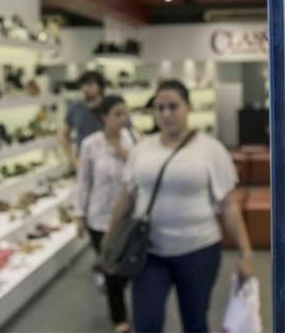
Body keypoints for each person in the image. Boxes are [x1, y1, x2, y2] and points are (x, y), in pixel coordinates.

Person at [107, 80, 254, 333]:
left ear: (188, 108)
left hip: (199, 251)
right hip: (148, 252)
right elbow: (126, 196)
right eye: (160, 108)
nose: (166, 114)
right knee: (146, 323)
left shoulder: (211, 149)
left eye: (173, 107)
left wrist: (246, 254)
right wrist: (110, 237)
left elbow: (229, 205)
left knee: (195, 322)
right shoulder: (142, 150)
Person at [75, 95, 133, 333]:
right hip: (99, 218)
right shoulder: (90, 145)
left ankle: (112, 286)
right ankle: (119, 318)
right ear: (104, 118)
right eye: (117, 114)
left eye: (125, 113)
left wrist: (128, 157)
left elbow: (140, 174)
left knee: (126, 266)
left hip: (127, 217)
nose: (123, 119)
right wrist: (79, 215)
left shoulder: (131, 140)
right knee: (111, 268)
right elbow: (83, 182)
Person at [60, 71, 105, 171]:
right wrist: (73, 160)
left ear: (100, 86)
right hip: (84, 163)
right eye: (83, 85)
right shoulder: (75, 107)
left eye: (90, 84)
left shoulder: (110, 106)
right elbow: (63, 135)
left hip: (107, 162)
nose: (85, 88)